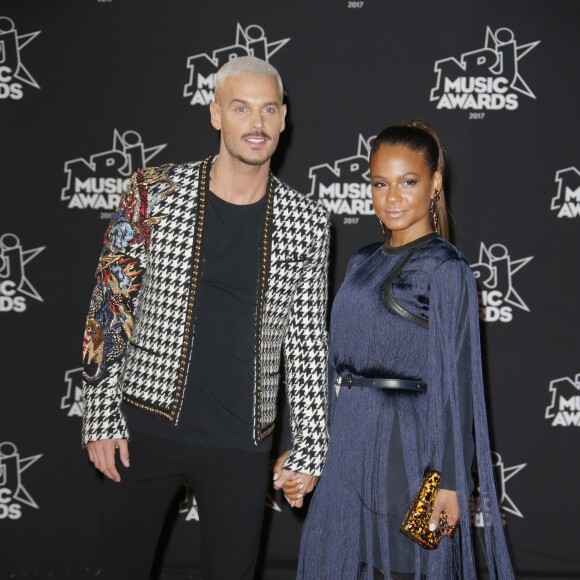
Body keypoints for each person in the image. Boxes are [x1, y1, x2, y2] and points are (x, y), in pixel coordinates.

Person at [80, 56, 329, 580]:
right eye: (241, 108)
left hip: (241, 442)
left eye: (267, 110)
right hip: (143, 426)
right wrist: (101, 411)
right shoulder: (153, 190)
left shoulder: (307, 221)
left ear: (283, 118)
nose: (256, 123)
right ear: (216, 114)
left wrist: (310, 445)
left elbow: (307, 339)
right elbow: (111, 302)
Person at [293, 121, 515, 579]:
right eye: (380, 183)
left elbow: (457, 384)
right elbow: (333, 367)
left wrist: (451, 482)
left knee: (406, 568)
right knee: (342, 564)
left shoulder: (445, 267)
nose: (392, 196)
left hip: (409, 451)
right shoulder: (361, 261)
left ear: (434, 184)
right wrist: (311, 451)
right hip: (349, 443)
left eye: (408, 182)